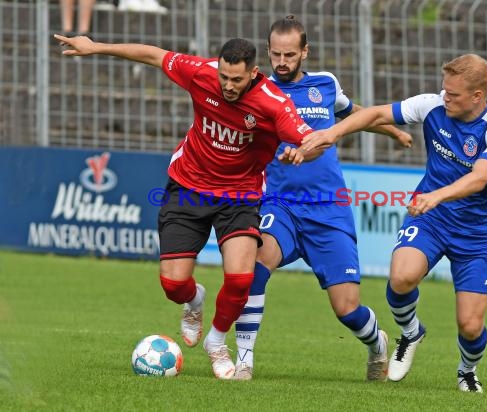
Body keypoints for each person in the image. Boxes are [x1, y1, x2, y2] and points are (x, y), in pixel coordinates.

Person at [54, 33, 317, 379]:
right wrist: (97, 47)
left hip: (240, 195)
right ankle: (194, 301)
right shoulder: (201, 72)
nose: (228, 85)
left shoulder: (273, 102)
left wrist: (303, 150)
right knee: (173, 285)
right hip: (188, 187)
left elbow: (312, 138)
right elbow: (152, 53)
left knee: (241, 278)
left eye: (236, 79)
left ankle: (217, 342)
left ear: (254, 73)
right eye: (224, 76)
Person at [302, 54, 487, 392]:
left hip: (475, 233)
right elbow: (375, 114)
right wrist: (332, 133)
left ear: (478, 95)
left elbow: (480, 178)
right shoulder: (432, 105)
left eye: (454, 94)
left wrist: (437, 195)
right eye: (444, 90)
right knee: (401, 277)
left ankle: (466, 370)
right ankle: (410, 331)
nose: (445, 97)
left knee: (471, 326)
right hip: (431, 219)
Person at [233, 16, 413, 381]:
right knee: (254, 265)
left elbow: (354, 115)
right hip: (280, 205)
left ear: (305, 52)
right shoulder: (256, 90)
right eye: (275, 54)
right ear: (267, 51)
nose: (281, 62)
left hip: (329, 209)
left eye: (289, 54)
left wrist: (392, 132)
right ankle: (244, 361)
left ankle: (377, 342)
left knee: (347, 308)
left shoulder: (326, 85)